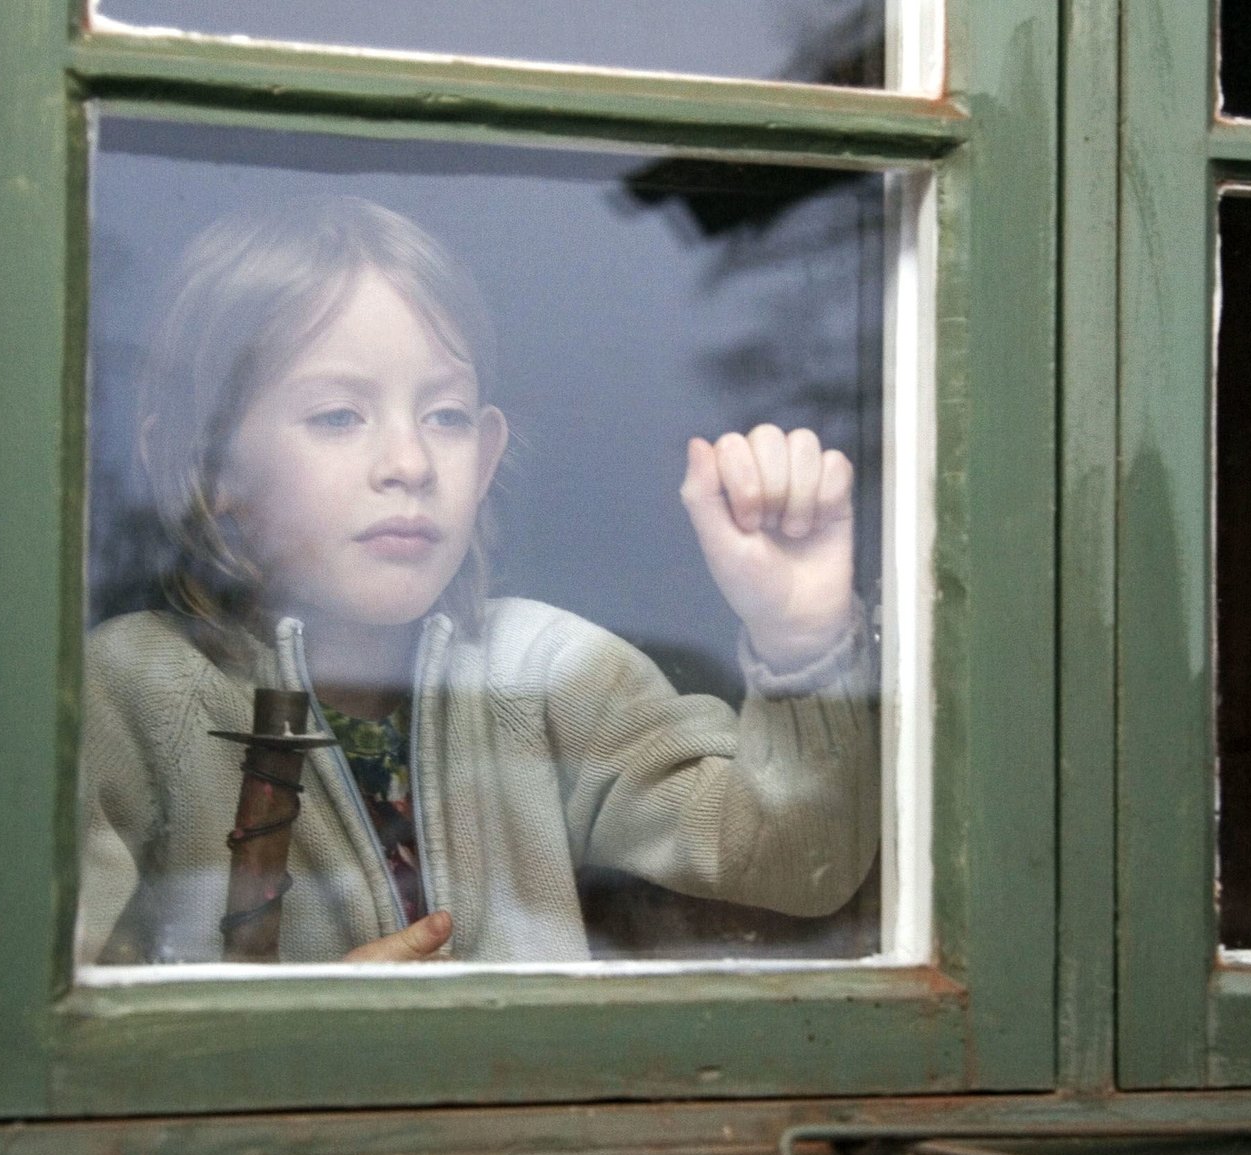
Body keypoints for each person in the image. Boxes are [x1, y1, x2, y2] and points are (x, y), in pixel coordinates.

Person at [78, 198, 878, 965]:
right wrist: (295, 1031)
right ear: (210, 467)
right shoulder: (133, 693)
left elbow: (796, 860)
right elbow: (52, 1006)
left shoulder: (548, 675)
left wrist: (801, 637)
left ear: (487, 456)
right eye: (338, 416)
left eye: (446, 416)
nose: (410, 463)